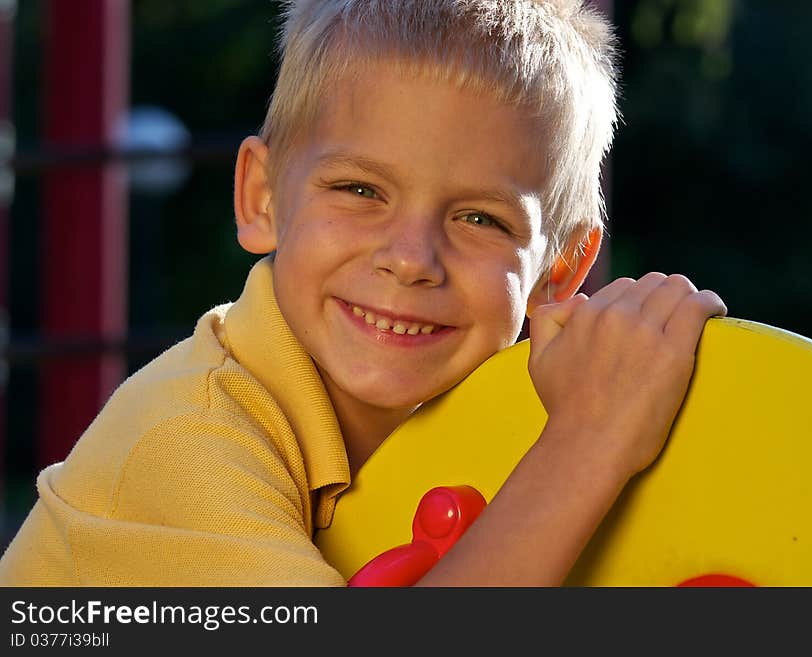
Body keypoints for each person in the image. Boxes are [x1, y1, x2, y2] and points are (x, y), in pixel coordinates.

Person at [0, 0, 725, 586]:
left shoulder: (499, 430)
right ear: (261, 197)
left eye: (480, 218)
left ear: (560, 269)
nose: (411, 259)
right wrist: (591, 441)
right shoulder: (184, 441)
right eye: (358, 189)